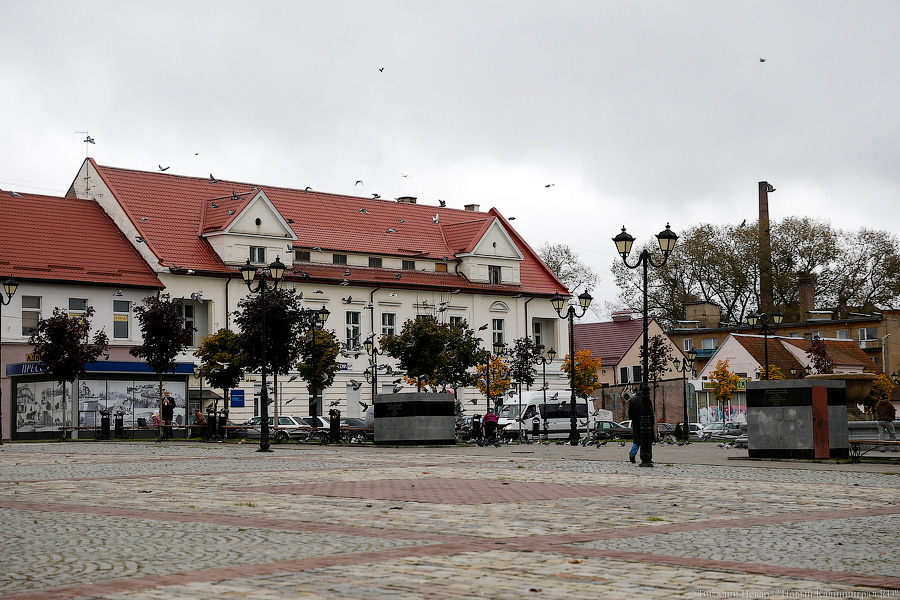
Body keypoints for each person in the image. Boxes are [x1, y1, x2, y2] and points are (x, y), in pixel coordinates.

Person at [627, 394, 642, 463]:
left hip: (635, 422)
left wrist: (632, 418)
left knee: (636, 440)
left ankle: (632, 453)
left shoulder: (632, 400)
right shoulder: (645, 399)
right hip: (644, 422)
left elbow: (629, 412)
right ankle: (645, 457)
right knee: (645, 440)